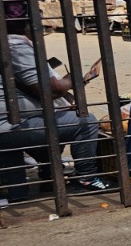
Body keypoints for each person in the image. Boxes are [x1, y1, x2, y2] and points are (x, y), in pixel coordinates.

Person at [2, 17, 112, 195]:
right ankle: (87, 178)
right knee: (86, 122)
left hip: (16, 120)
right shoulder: (16, 46)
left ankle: (50, 178)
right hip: (10, 125)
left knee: (58, 118)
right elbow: (50, 91)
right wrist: (72, 80)